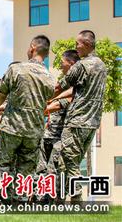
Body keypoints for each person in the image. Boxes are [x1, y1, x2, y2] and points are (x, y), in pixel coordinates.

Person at [0, 35, 55, 205]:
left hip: (12, 127)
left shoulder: (16, 69)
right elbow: (48, 98)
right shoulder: (49, 77)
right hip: (34, 130)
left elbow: (2, 94)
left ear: (32, 47)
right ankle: (20, 201)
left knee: (1, 162)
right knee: (27, 167)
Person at [52, 30, 107, 202]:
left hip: (77, 121)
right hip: (92, 123)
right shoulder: (101, 65)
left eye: (78, 44)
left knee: (69, 161)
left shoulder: (81, 65)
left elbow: (58, 87)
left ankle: (77, 200)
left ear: (88, 44)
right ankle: (59, 199)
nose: (76, 47)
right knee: (63, 160)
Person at [35, 50, 79, 186]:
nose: (60, 66)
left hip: (61, 138)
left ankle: (56, 201)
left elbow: (64, 102)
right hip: (48, 136)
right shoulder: (62, 83)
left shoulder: (77, 85)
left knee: (54, 171)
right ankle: (41, 200)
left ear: (71, 64)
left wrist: (42, 108)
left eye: (62, 63)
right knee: (41, 170)